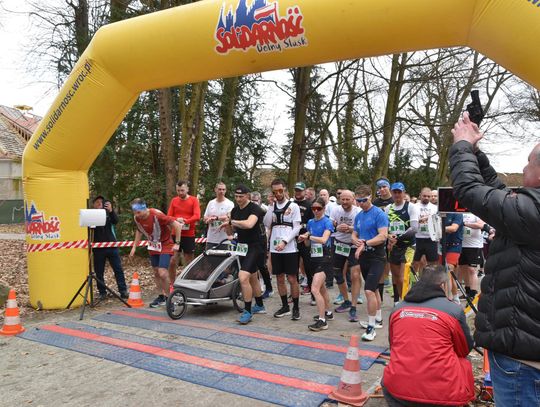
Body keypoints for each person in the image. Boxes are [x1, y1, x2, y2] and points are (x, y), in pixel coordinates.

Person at [450, 111, 540, 405]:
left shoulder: (533, 213)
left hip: (524, 362)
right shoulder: (529, 211)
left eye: (528, 162)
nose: (523, 168)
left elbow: (470, 191)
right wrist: (476, 154)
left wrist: (461, 146)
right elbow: (498, 194)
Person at [382, 265, 475, 406]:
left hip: (397, 392)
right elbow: (465, 349)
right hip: (442, 396)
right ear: (443, 285)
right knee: (464, 361)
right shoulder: (453, 310)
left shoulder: (398, 309)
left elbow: (393, 346)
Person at [221, 184, 267, 324]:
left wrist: (232, 221)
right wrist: (227, 226)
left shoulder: (255, 208)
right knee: (252, 277)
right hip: (242, 246)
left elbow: (249, 224)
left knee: (243, 277)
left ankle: (247, 311)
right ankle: (259, 305)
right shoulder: (235, 210)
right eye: (236, 196)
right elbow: (231, 233)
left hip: (256, 246)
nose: (238, 199)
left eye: (241, 196)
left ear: (247, 196)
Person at [129, 198, 183, 307]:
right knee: (156, 272)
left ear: (144, 208)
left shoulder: (157, 215)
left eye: (138, 212)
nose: (136, 215)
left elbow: (177, 225)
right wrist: (134, 246)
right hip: (153, 245)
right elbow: (139, 230)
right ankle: (161, 296)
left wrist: (177, 243)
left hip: (165, 244)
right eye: (134, 212)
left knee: (162, 272)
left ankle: (168, 298)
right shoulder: (137, 218)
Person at [352, 185, 389, 341]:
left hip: (377, 256)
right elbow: (354, 233)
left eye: (363, 200)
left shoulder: (379, 214)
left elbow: (383, 236)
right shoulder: (359, 215)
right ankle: (378, 319)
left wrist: (365, 244)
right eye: (358, 201)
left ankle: (371, 327)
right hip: (364, 257)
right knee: (373, 290)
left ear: (370, 197)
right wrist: (356, 240)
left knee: (368, 290)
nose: (361, 203)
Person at [264, 179, 302, 320]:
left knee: (292, 278)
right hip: (275, 247)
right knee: (279, 278)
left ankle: (296, 307)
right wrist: (270, 206)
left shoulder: (293, 206)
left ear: (285, 189)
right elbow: (267, 223)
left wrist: (285, 241)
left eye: (280, 190)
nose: (278, 194)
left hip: (289, 248)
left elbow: (297, 227)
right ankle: (285, 306)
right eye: (275, 192)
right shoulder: (272, 206)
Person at [298, 197, 334, 331]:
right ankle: (328, 312)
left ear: (324, 209)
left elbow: (324, 240)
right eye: (313, 208)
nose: (316, 211)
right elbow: (308, 243)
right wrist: (304, 238)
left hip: (325, 257)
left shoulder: (327, 222)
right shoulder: (310, 222)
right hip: (314, 256)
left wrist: (308, 236)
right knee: (321, 287)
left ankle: (322, 321)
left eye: (318, 208)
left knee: (314, 289)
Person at [385, 182, 418, 305]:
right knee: (395, 276)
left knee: (403, 277)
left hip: (408, 246)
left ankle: (407, 301)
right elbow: (385, 227)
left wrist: (397, 238)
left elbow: (414, 228)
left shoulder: (411, 207)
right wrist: (389, 236)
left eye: (399, 192)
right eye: (395, 192)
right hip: (394, 246)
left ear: (404, 193)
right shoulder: (388, 208)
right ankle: (398, 300)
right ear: (391, 193)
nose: (397, 194)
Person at [92, 196, 128, 300]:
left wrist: (111, 211)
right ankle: (102, 292)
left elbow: (115, 221)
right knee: (99, 272)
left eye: (101, 202)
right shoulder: (91, 215)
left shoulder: (108, 214)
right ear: (93, 205)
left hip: (112, 246)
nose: (100, 203)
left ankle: (123, 291)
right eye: (97, 202)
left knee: (118, 269)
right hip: (98, 248)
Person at [330, 190, 360, 315]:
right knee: (337, 273)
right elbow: (331, 223)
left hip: (353, 245)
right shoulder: (335, 210)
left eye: (348, 199)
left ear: (353, 199)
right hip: (339, 244)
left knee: (355, 275)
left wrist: (350, 228)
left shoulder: (358, 212)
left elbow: (362, 227)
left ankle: (354, 306)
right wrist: (336, 227)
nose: (345, 202)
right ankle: (346, 301)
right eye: (343, 199)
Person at [167, 180, 201, 285]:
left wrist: (186, 221)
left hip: (189, 234)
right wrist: (177, 219)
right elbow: (168, 216)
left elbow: (197, 216)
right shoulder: (174, 201)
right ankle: (172, 284)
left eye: (182, 190)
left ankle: (188, 283)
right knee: (172, 261)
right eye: (178, 190)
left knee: (189, 261)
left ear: (187, 189)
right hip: (175, 234)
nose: (180, 193)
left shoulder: (194, 200)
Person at [372, 177, 393, 302]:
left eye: (384, 186)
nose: (382, 189)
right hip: (380, 234)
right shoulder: (375, 202)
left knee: (390, 259)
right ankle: (380, 294)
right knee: (381, 259)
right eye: (380, 187)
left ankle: (388, 279)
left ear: (388, 187)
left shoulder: (394, 199)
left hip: (393, 234)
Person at [293, 182, 315, 298]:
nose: (298, 192)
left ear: (305, 191)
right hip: (292, 240)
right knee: (293, 269)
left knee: (308, 267)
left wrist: (307, 235)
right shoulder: (290, 204)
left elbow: (313, 223)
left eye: (300, 190)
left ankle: (313, 293)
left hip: (305, 240)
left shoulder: (309, 205)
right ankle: (294, 293)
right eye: (296, 190)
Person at [458, 212, 485, 300]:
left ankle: (473, 293)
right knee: (463, 268)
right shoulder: (459, 212)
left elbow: (481, 225)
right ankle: (467, 291)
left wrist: (465, 224)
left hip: (474, 245)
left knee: (472, 269)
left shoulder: (475, 212)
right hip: (461, 244)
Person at [413, 187, 439, 274]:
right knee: (416, 262)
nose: (426, 198)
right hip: (417, 238)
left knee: (432, 264)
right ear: (420, 195)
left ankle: (429, 280)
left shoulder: (435, 208)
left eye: (428, 196)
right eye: (424, 196)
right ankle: (415, 280)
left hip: (430, 238)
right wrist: (421, 220)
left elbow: (438, 222)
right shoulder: (414, 207)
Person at [203, 182, 234, 250]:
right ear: (215, 190)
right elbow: (205, 218)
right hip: (211, 239)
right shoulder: (211, 203)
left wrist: (216, 218)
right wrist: (209, 220)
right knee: (209, 256)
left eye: (223, 189)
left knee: (222, 257)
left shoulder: (229, 203)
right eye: (219, 189)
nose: (221, 191)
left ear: (226, 191)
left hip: (224, 239)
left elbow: (229, 217)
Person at [442, 212, 464, 304]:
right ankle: (455, 297)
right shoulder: (439, 212)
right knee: (447, 274)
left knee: (448, 270)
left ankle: (447, 299)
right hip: (441, 245)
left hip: (454, 246)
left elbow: (454, 228)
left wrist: (438, 228)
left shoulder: (457, 213)